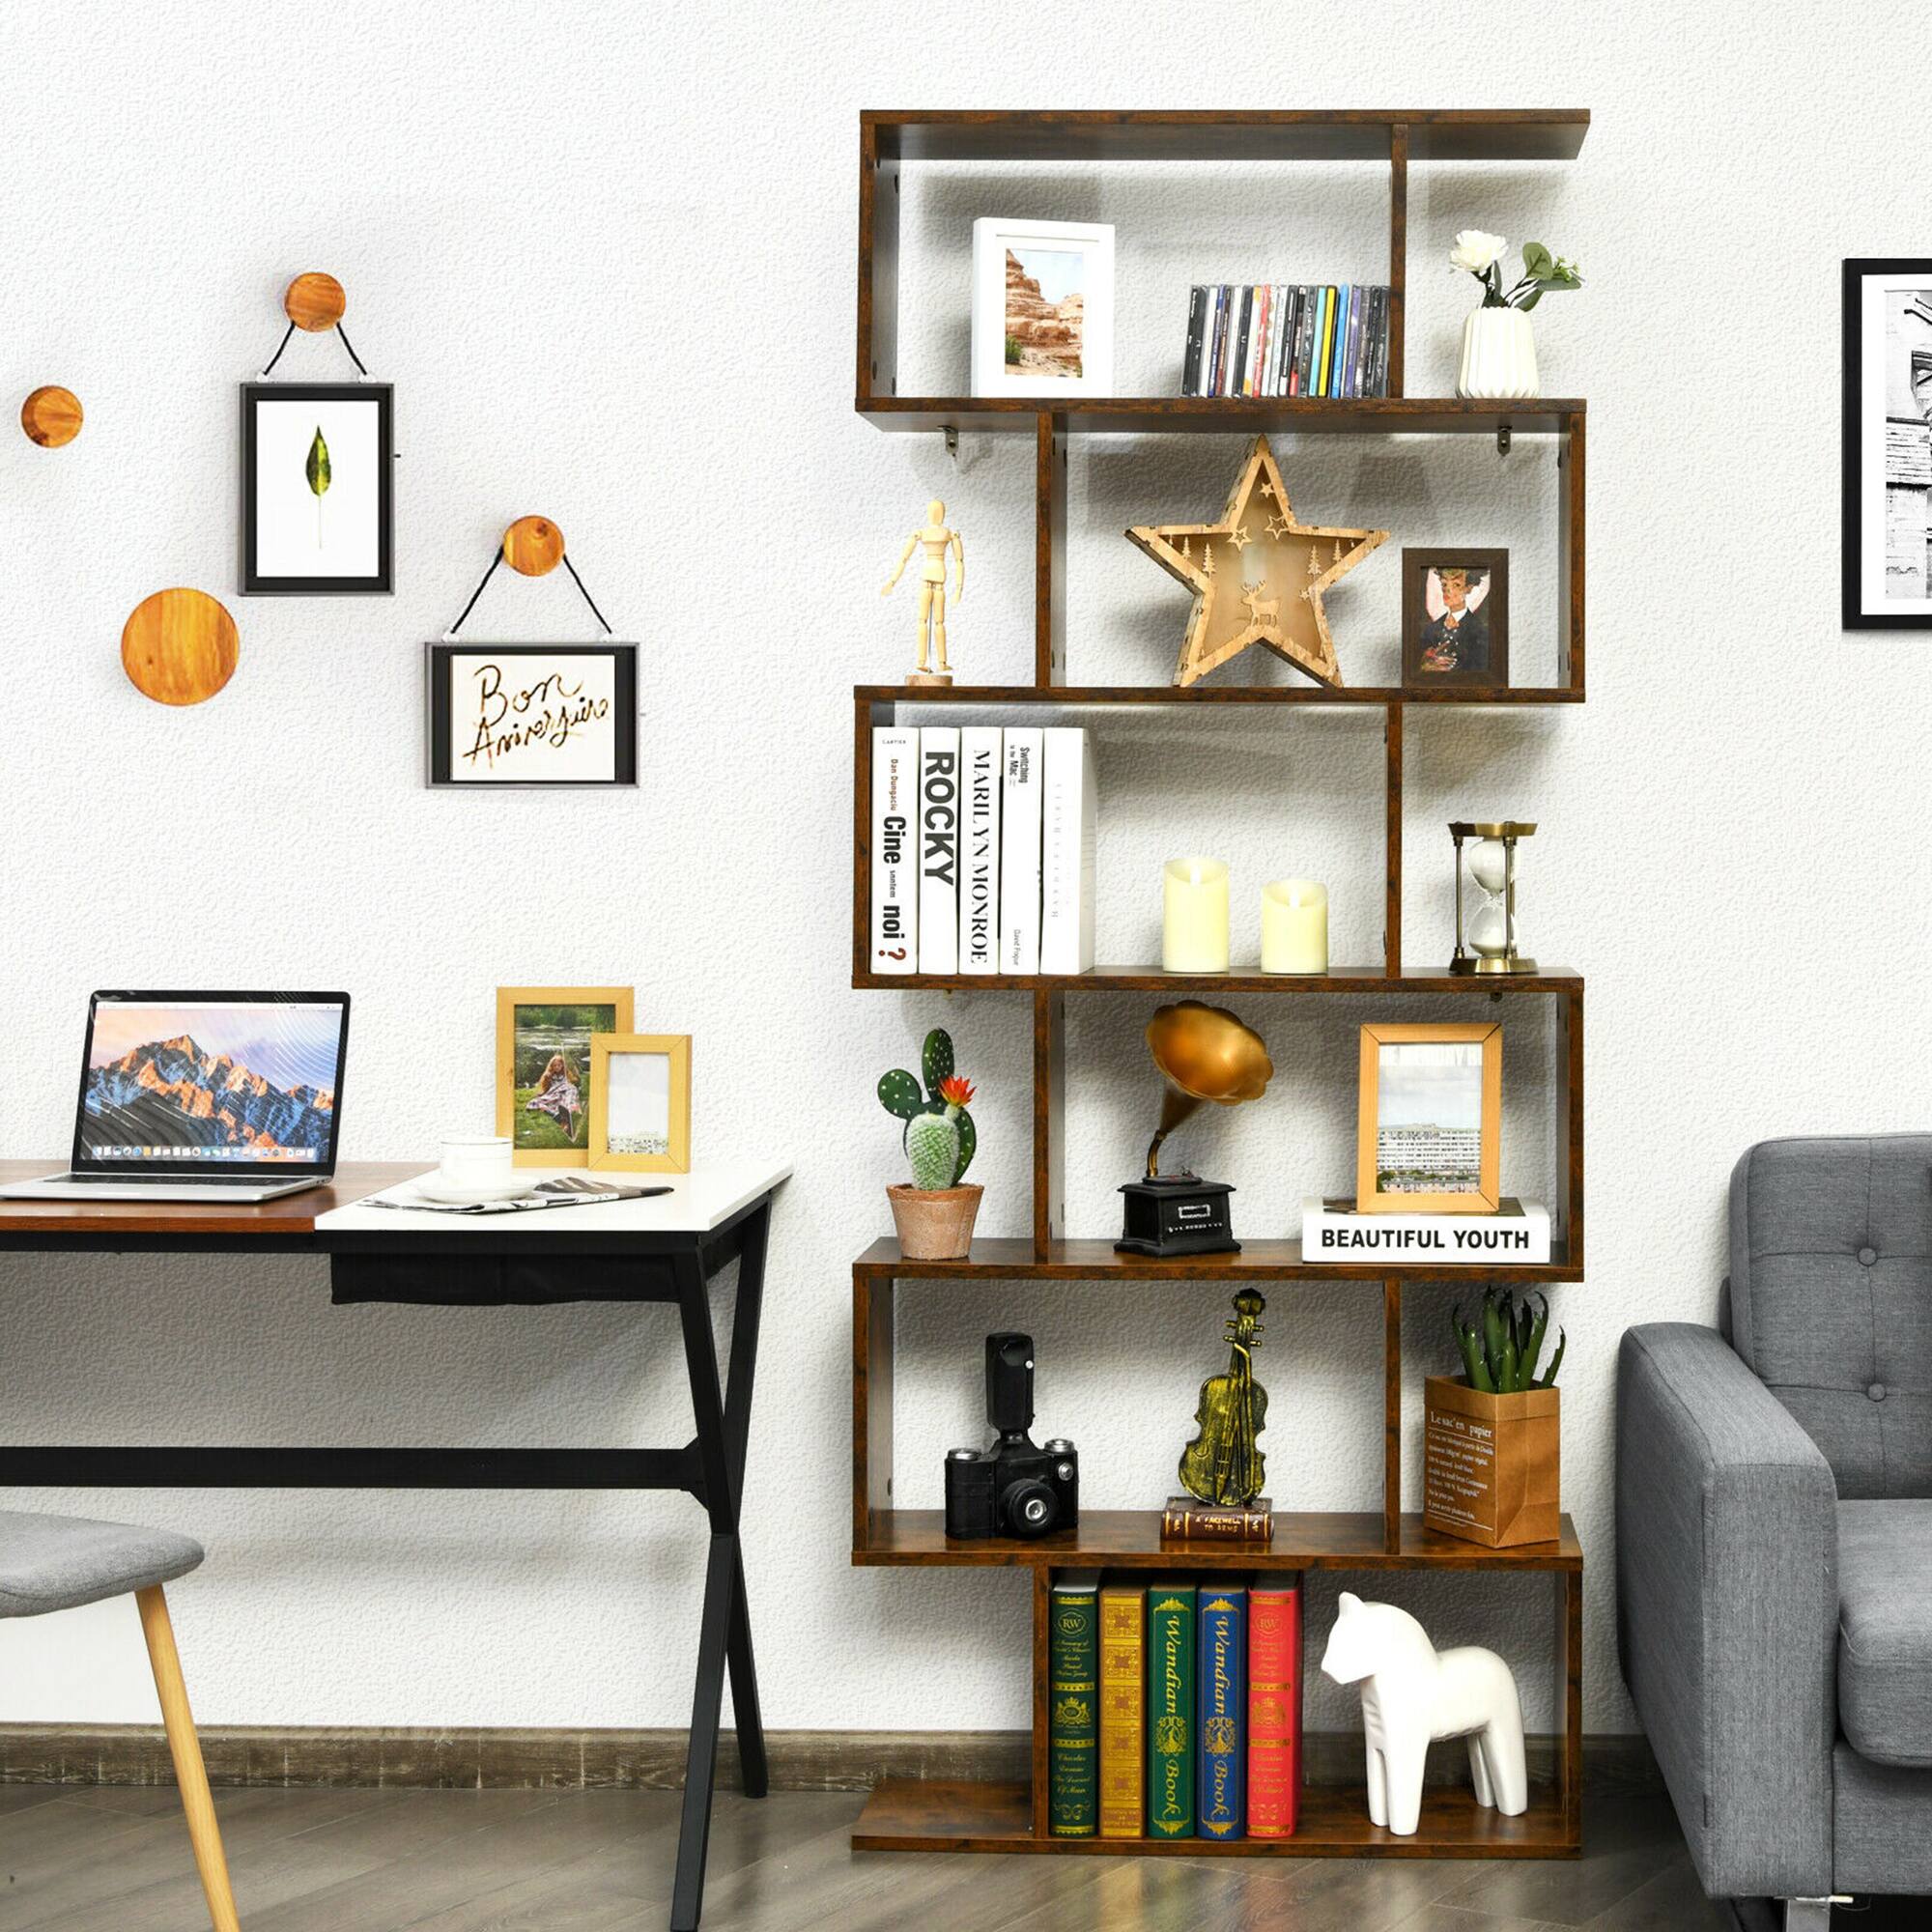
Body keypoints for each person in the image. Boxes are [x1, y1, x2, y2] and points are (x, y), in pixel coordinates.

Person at [1419, 566, 1489, 673]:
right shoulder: (1431, 629)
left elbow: (1481, 671)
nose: (1447, 590)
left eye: (1456, 585)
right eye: (1444, 584)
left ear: (1468, 589)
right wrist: (1425, 666)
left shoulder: (1479, 631)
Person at [526, 1053, 582, 1142]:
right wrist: (544, 1090)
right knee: (537, 1102)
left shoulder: (565, 1073)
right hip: (554, 1093)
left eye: (559, 1065)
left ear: (562, 1065)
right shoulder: (549, 1075)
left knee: (571, 1090)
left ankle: (567, 1109)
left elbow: (574, 1080)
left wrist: (573, 1073)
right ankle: (556, 1114)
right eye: (554, 1065)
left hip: (564, 1092)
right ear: (551, 1066)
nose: (557, 1067)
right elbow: (546, 1087)